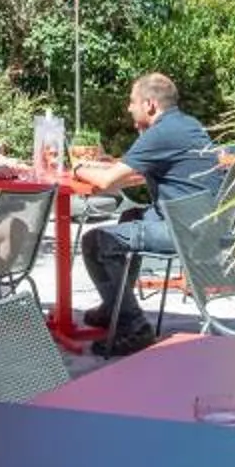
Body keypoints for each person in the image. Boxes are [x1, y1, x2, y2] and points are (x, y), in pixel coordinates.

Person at [73, 72, 222, 344]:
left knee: (95, 241)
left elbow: (107, 182)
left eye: (132, 101)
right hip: (203, 223)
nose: (129, 107)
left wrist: (78, 166)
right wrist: (112, 164)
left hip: (184, 231)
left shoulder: (162, 133)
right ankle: (114, 307)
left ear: (150, 105)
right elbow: (135, 172)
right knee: (131, 215)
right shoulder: (187, 124)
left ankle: (134, 327)